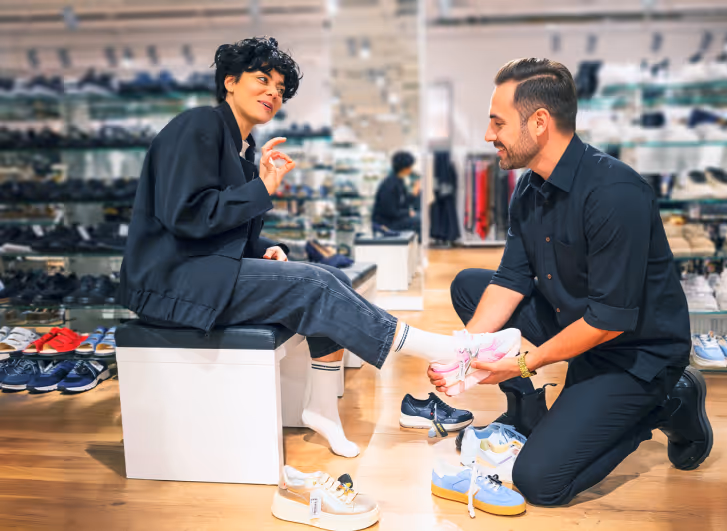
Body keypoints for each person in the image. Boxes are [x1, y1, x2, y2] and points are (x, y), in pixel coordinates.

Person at [118, 37, 520, 458]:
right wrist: (261, 188)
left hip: (202, 270)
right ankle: (446, 350)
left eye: (279, 88)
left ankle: (322, 407)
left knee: (330, 275)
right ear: (230, 82)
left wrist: (263, 247)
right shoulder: (200, 125)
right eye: (262, 80)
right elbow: (188, 215)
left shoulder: (242, 147)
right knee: (315, 285)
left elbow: (228, 228)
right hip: (173, 282)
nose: (273, 93)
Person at [428, 58, 712, 506]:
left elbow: (608, 321)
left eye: (497, 122)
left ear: (539, 122)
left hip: (635, 353)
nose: (488, 136)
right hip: (579, 323)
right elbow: (511, 278)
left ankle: (670, 401)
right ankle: (528, 409)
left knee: (541, 484)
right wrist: (460, 353)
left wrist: (524, 364)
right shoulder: (529, 187)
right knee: (470, 285)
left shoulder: (616, 193)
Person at [371, 151, 421, 238]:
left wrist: (413, 194)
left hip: (393, 219)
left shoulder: (399, 181)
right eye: (410, 166)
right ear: (404, 167)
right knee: (420, 221)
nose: (411, 169)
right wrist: (408, 213)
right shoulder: (389, 185)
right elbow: (390, 211)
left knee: (420, 217)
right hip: (385, 224)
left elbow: (403, 203)